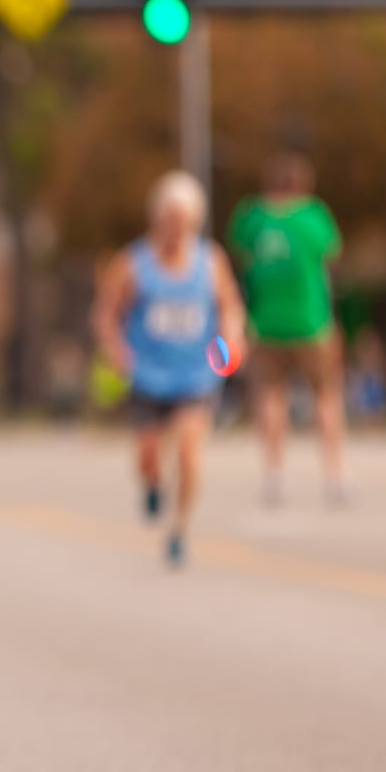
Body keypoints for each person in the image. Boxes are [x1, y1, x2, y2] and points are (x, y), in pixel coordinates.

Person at [93, 172, 248, 568]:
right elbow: (107, 313)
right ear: (156, 219)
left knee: (189, 450)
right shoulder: (133, 264)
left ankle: (178, 529)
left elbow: (229, 307)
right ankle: (152, 483)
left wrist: (230, 339)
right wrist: (117, 351)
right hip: (148, 373)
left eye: (183, 221)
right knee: (148, 455)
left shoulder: (210, 261)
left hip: (196, 374)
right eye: (169, 220)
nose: (175, 230)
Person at [226, 152, 349, 506]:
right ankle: (334, 475)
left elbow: (241, 254)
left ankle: (274, 474)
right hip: (311, 320)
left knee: (270, 397)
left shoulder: (252, 217)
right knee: (325, 396)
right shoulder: (312, 215)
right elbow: (330, 257)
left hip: (265, 321)